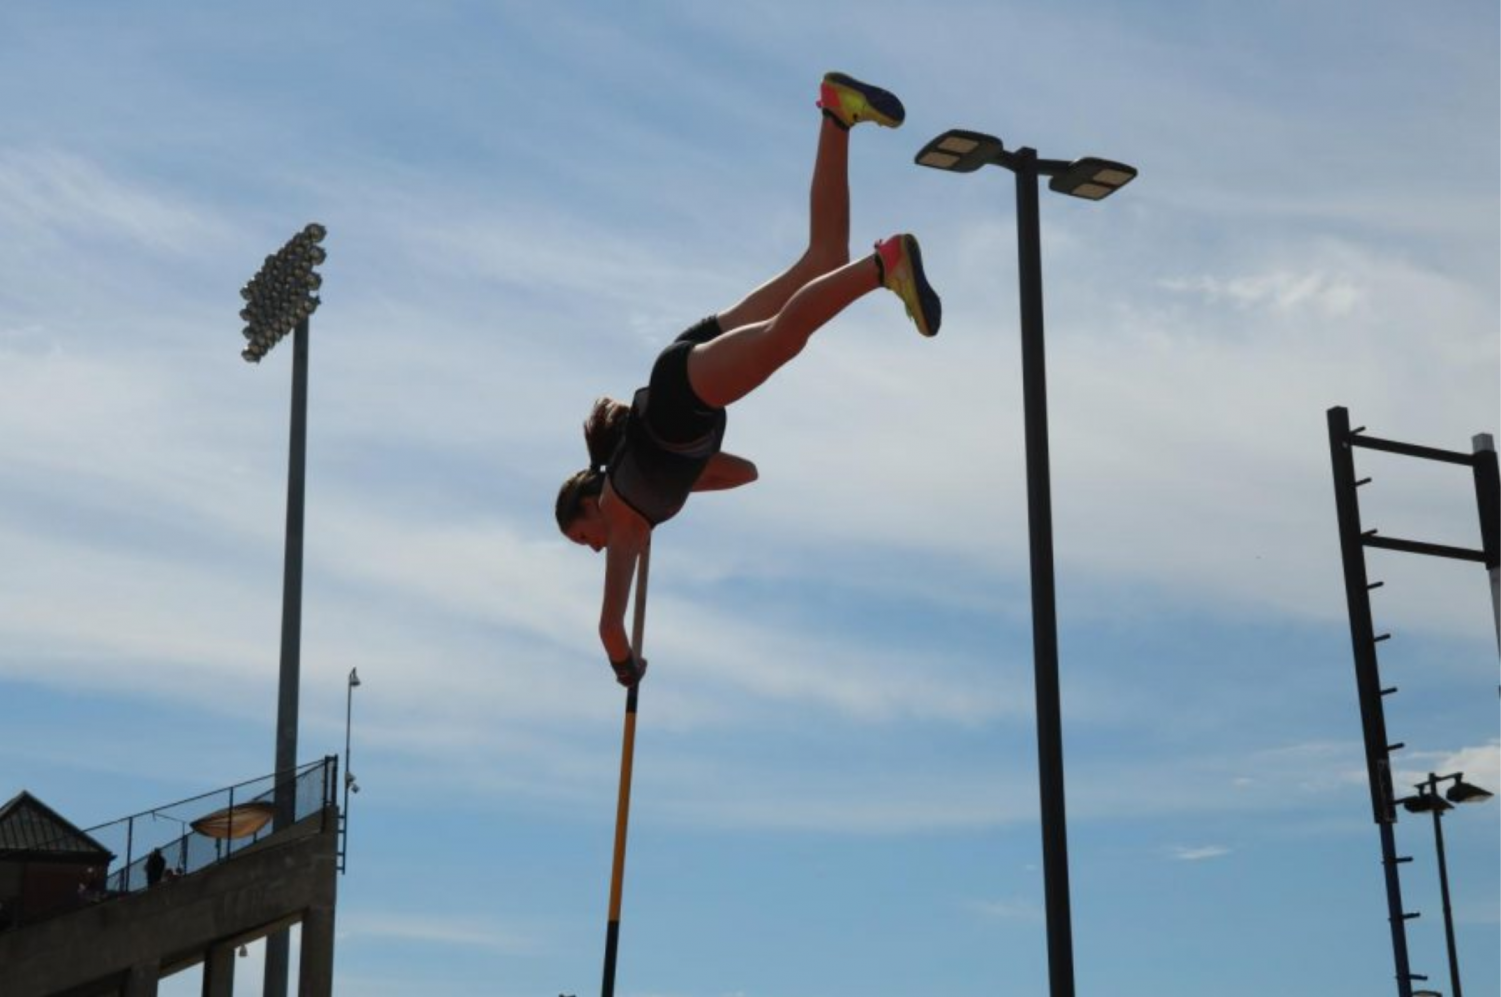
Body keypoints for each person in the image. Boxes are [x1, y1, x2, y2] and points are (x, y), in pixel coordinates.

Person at [555, 72, 941, 687]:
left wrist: (626, 666)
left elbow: (608, 629)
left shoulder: (620, 516)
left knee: (785, 340)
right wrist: (675, 492)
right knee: (820, 261)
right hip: (684, 374)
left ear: (585, 504)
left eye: (584, 539)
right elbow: (745, 473)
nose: (597, 550)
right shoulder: (646, 505)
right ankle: (837, 114)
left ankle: (884, 267)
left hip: (684, 396)